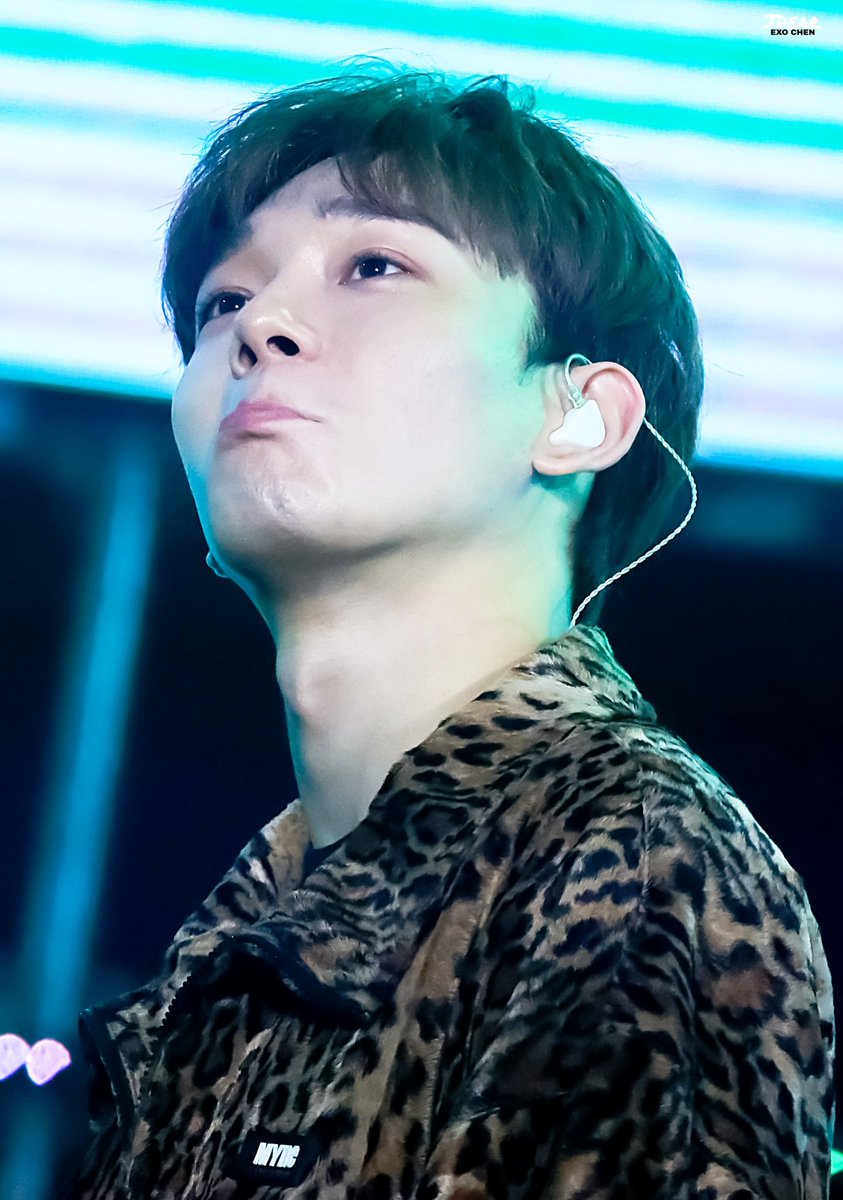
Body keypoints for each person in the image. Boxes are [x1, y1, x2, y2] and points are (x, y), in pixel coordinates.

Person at [69, 65, 834, 1199]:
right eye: (221, 302)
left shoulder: (634, 861)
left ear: (578, 416)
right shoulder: (236, 941)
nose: (259, 326)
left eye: (374, 266)